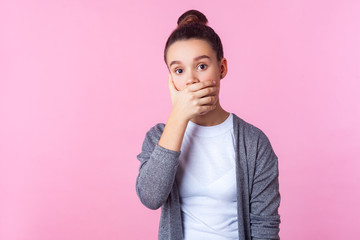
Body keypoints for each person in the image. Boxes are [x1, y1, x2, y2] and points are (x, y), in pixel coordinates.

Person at [136, 9, 281, 240]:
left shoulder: (254, 143)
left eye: (201, 66)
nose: (191, 80)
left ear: (221, 68)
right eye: (179, 70)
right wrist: (178, 116)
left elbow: (265, 228)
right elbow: (150, 197)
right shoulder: (158, 137)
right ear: (171, 80)